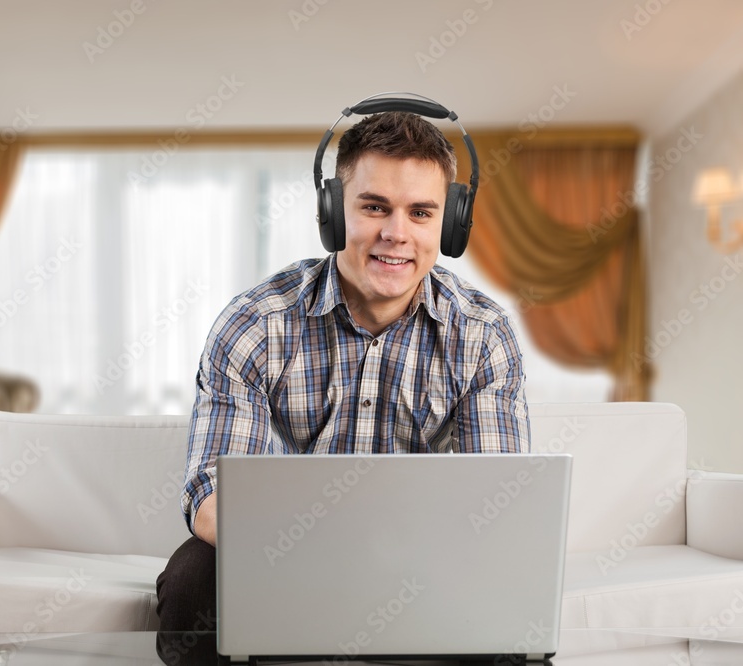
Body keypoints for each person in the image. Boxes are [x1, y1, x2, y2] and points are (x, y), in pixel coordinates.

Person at [155, 109, 530, 631]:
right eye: (375, 207)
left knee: (507, 586)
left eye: (422, 213)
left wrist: (394, 553)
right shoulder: (255, 324)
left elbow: (496, 503)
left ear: (450, 223)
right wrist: (327, 546)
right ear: (331, 212)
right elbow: (210, 497)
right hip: (279, 547)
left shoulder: (483, 334)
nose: (397, 234)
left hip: (424, 555)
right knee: (194, 577)